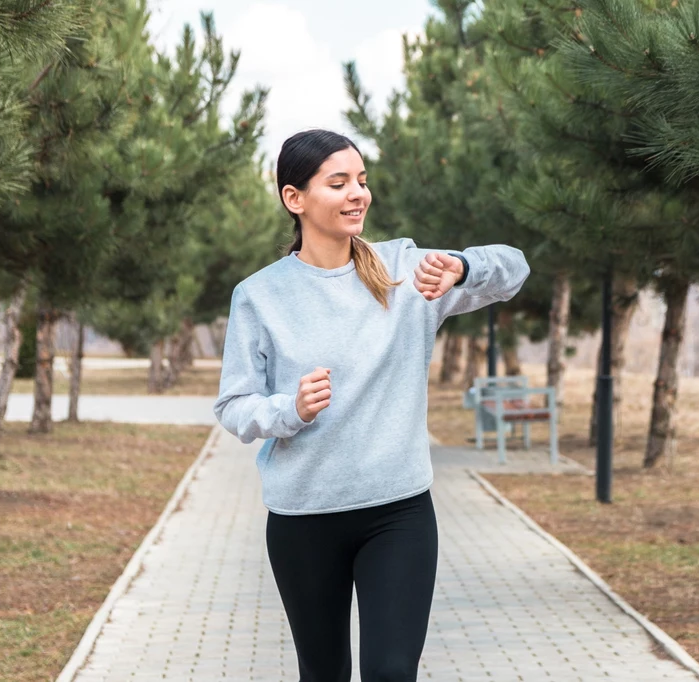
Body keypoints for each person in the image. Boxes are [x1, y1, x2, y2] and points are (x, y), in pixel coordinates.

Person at [213, 128, 530, 682]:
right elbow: (235, 406)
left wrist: (462, 266)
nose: (358, 193)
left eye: (362, 180)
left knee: (390, 672)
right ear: (295, 198)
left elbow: (515, 267)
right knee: (326, 672)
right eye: (338, 183)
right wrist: (291, 410)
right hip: (304, 518)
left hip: (398, 512)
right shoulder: (259, 295)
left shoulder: (404, 271)